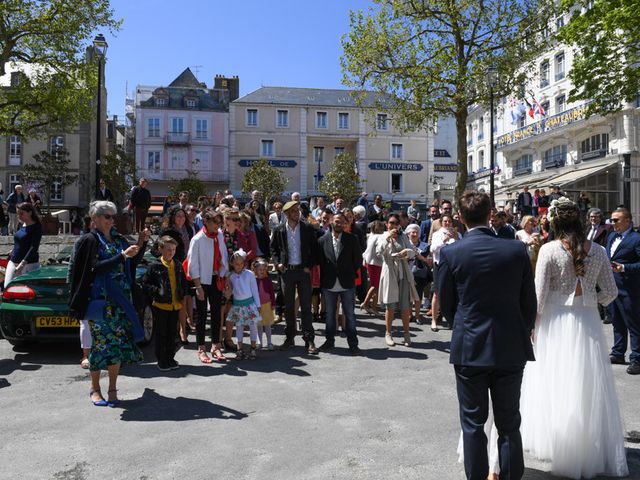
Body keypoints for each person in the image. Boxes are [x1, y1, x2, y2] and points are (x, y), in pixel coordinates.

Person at [521, 198, 628, 479]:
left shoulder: (548, 250)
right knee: (586, 382)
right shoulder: (600, 251)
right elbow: (612, 291)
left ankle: (558, 442)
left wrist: (533, 324)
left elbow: (539, 294)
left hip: (555, 320)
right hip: (588, 320)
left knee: (554, 380)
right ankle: (585, 446)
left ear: (555, 222)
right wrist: (593, 300)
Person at [437, 190, 537, 480]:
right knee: (509, 423)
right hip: (509, 345)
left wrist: (465, 326)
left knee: (472, 423)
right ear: (490, 212)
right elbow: (528, 303)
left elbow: (446, 305)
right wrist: (520, 330)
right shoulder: (515, 249)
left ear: (460, 218)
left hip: (470, 346)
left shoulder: (451, 252)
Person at [68, 201, 150, 407]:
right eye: (107, 216)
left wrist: (142, 242)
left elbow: (132, 262)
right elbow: (94, 269)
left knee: (117, 346)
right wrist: (121, 256)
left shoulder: (118, 240)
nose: (111, 220)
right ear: (94, 219)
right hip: (100, 302)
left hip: (120, 301)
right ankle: (95, 389)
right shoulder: (89, 240)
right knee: (99, 345)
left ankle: (112, 388)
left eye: (113, 217)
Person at [270, 200, 319, 354]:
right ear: (286, 214)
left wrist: (308, 266)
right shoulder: (279, 230)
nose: (297, 213)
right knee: (289, 307)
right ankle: (290, 337)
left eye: (298, 210)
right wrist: (278, 263)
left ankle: (309, 339)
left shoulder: (306, 228)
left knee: (306, 306)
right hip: (287, 272)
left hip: (303, 272)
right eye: (293, 211)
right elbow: (273, 249)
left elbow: (315, 249)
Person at [317, 212, 363, 355]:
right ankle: (329, 341)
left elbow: (358, 261)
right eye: (336, 221)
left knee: (349, 314)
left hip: (347, 282)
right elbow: (320, 262)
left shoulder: (352, 239)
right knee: (330, 314)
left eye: (341, 221)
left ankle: (353, 344)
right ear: (331, 222)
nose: (339, 223)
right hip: (329, 283)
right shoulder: (322, 240)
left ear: (345, 223)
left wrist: (349, 272)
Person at [187, 208, 229, 364]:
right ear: (206, 221)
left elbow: (224, 257)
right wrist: (198, 287)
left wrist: (225, 278)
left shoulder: (218, 235)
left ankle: (216, 345)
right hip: (202, 281)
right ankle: (201, 348)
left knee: (217, 314)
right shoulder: (197, 239)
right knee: (202, 316)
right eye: (214, 222)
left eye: (219, 222)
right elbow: (192, 265)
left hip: (216, 279)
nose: (217, 225)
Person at [143, 236, 189, 371]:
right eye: (168, 249)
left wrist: (182, 295)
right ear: (160, 249)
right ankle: (162, 360)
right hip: (161, 306)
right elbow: (146, 284)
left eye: (173, 249)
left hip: (175, 306)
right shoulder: (154, 266)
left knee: (172, 334)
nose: (171, 252)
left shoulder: (178, 265)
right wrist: (157, 292)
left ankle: (170, 357)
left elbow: (183, 283)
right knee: (161, 334)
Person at [606, 207, 640, 375]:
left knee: (633, 324)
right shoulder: (611, 236)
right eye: (611, 220)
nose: (613, 223)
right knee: (617, 322)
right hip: (613, 288)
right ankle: (618, 353)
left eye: (616, 220)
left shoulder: (636, 239)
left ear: (627, 220)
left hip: (630, 289)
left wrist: (624, 267)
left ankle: (637, 359)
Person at [378, 213, 419, 347]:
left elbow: (413, 251)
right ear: (386, 224)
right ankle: (388, 333)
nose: (394, 225)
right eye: (391, 222)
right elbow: (379, 252)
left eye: (396, 223)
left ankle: (406, 333)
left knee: (405, 306)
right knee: (390, 306)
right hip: (390, 272)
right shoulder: (383, 236)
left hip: (403, 272)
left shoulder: (403, 236)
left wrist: (406, 252)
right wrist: (388, 238)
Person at [224, 250, 261, 360]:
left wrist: (258, 305)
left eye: (241, 263)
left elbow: (255, 291)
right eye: (236, 263)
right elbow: (228, 292)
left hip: (250, 305)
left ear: (244, 263)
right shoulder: (230, 276)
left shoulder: (249, 274)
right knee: (239, 327)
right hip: (237, 306)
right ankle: (240, 349)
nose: (239, 266)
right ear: (232, 264)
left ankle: (253, 348)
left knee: (252, 326)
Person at [429, 214, 462, 329]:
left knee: (453, 292)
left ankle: (451, 319)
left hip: (453, 266)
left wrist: (456, 239)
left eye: (449, 221)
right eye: (445, 221)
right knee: (437, 293)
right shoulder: (437, 234)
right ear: (441, 223)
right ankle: (434, 320)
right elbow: (432, 249)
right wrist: (444, 240)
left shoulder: (457, 234)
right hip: (439, 265)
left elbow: (462, 249)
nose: (447, 223)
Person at [4, 202, 42, 288]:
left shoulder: (37, 227)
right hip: (13, 262)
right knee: (8, 288)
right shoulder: (22, 224)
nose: (19, 216)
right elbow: (21, 242)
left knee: (29, 292)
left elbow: (34, 247)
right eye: (18, 213)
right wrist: (13, 250)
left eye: (21, 213)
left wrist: (22, 264)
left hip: (29, 265)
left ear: (30, 213)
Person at [405, 223, 431, 326]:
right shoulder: (405, 245)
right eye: (412, 232)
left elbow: (429, 262)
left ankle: (417, 315)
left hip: (419, 274)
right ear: (408, 234)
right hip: (407, 272)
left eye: (416, 232)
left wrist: (420, 257)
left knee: (418, 296)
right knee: (408, 295)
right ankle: (410, 314)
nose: (415, 234)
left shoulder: (425, 246)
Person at [361, 220, 385, 314]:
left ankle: (374, 306)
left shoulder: (371, 236)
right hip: (376, 263)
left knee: (376, 285)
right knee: (375, 285)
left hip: (369, 261)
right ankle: (366, 303)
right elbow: (379, 252)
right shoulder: (380, 237)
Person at [253, 258, 276, 350]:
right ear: (256, 270)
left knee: (267, 325)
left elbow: (272, 293)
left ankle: (269, 342)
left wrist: (273, 303)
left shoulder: (268, 280)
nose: (262, 271)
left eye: (264, 269)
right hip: (257, 306)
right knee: (259, 325)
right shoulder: (254, 280)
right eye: (260, 270)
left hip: (267, 304)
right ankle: (259, 342)